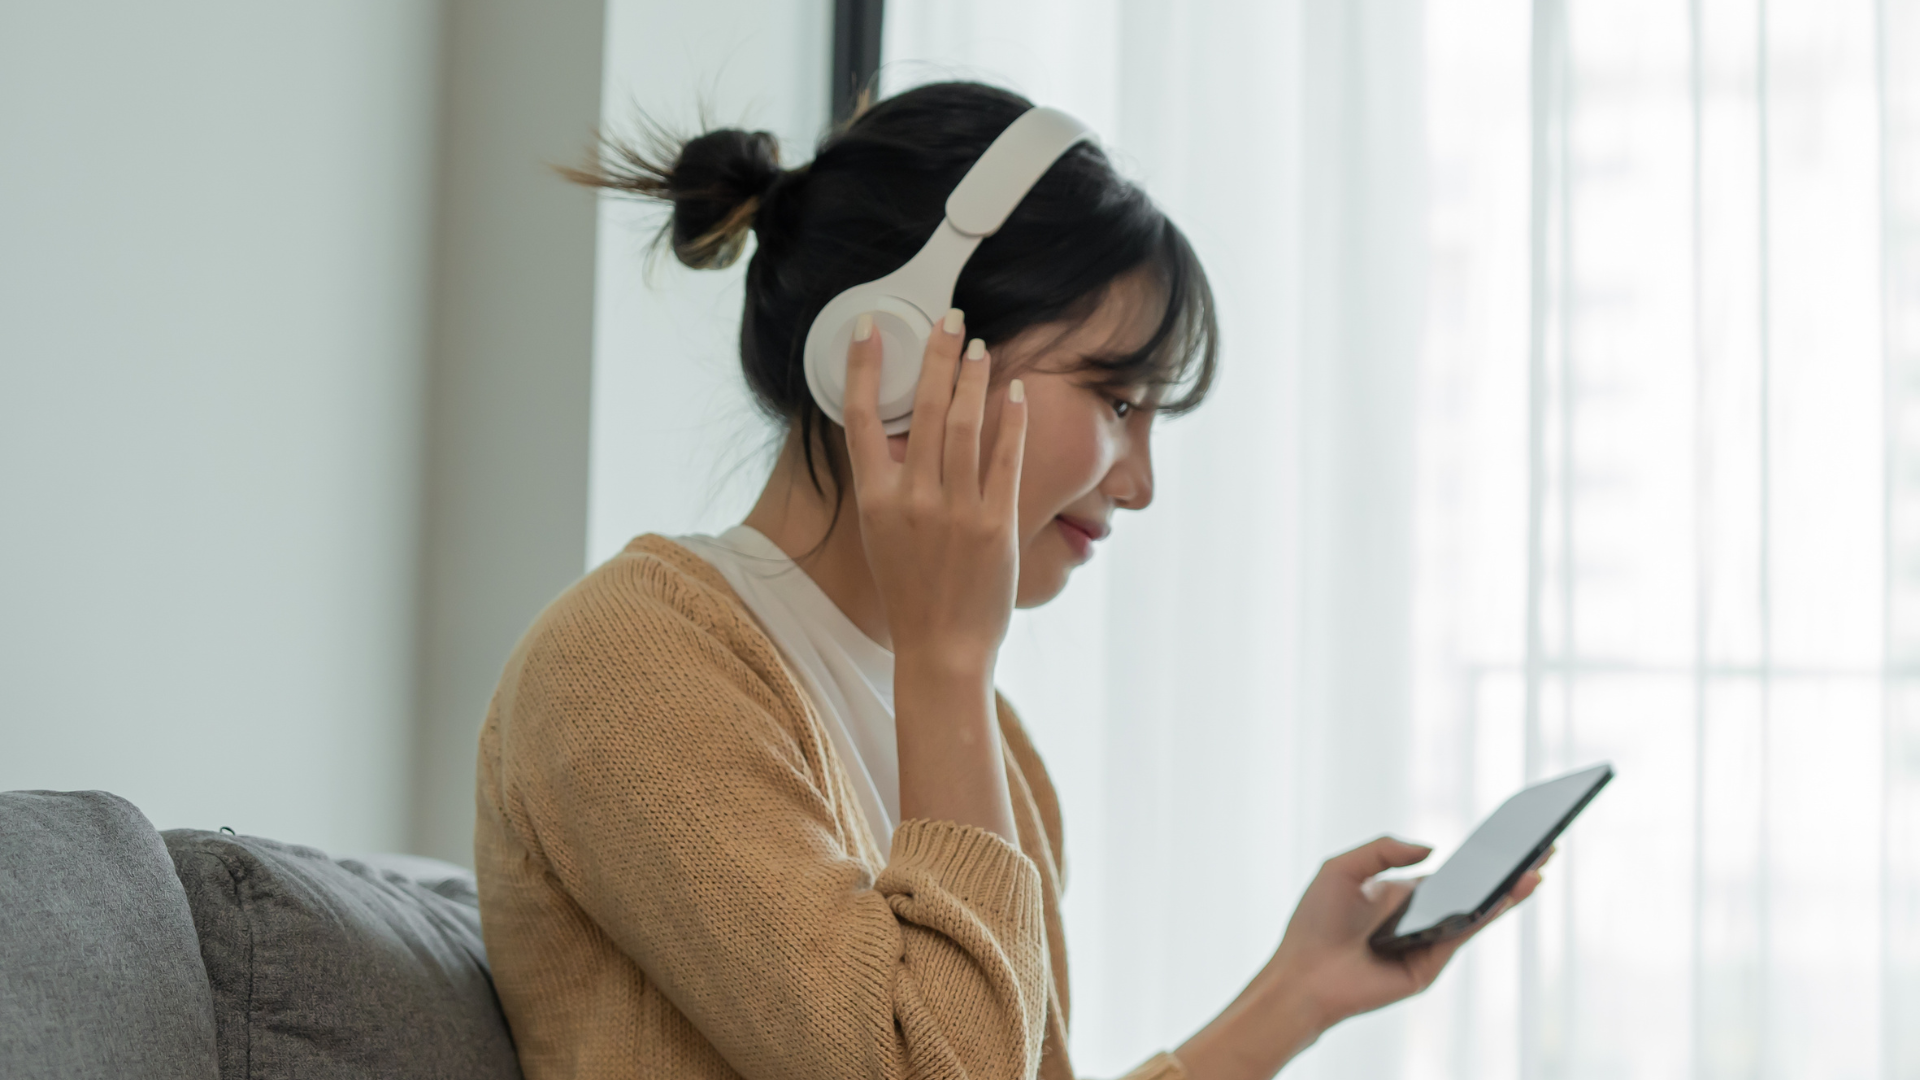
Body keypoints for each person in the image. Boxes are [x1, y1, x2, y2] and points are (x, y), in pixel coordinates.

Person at [472, 81, 1543, 1080]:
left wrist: (1294, 998)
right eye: (1117, 398)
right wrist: (948, 658)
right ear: (895, 353)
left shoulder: (1000, 755)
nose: (1141, 483)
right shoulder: (626, 666)